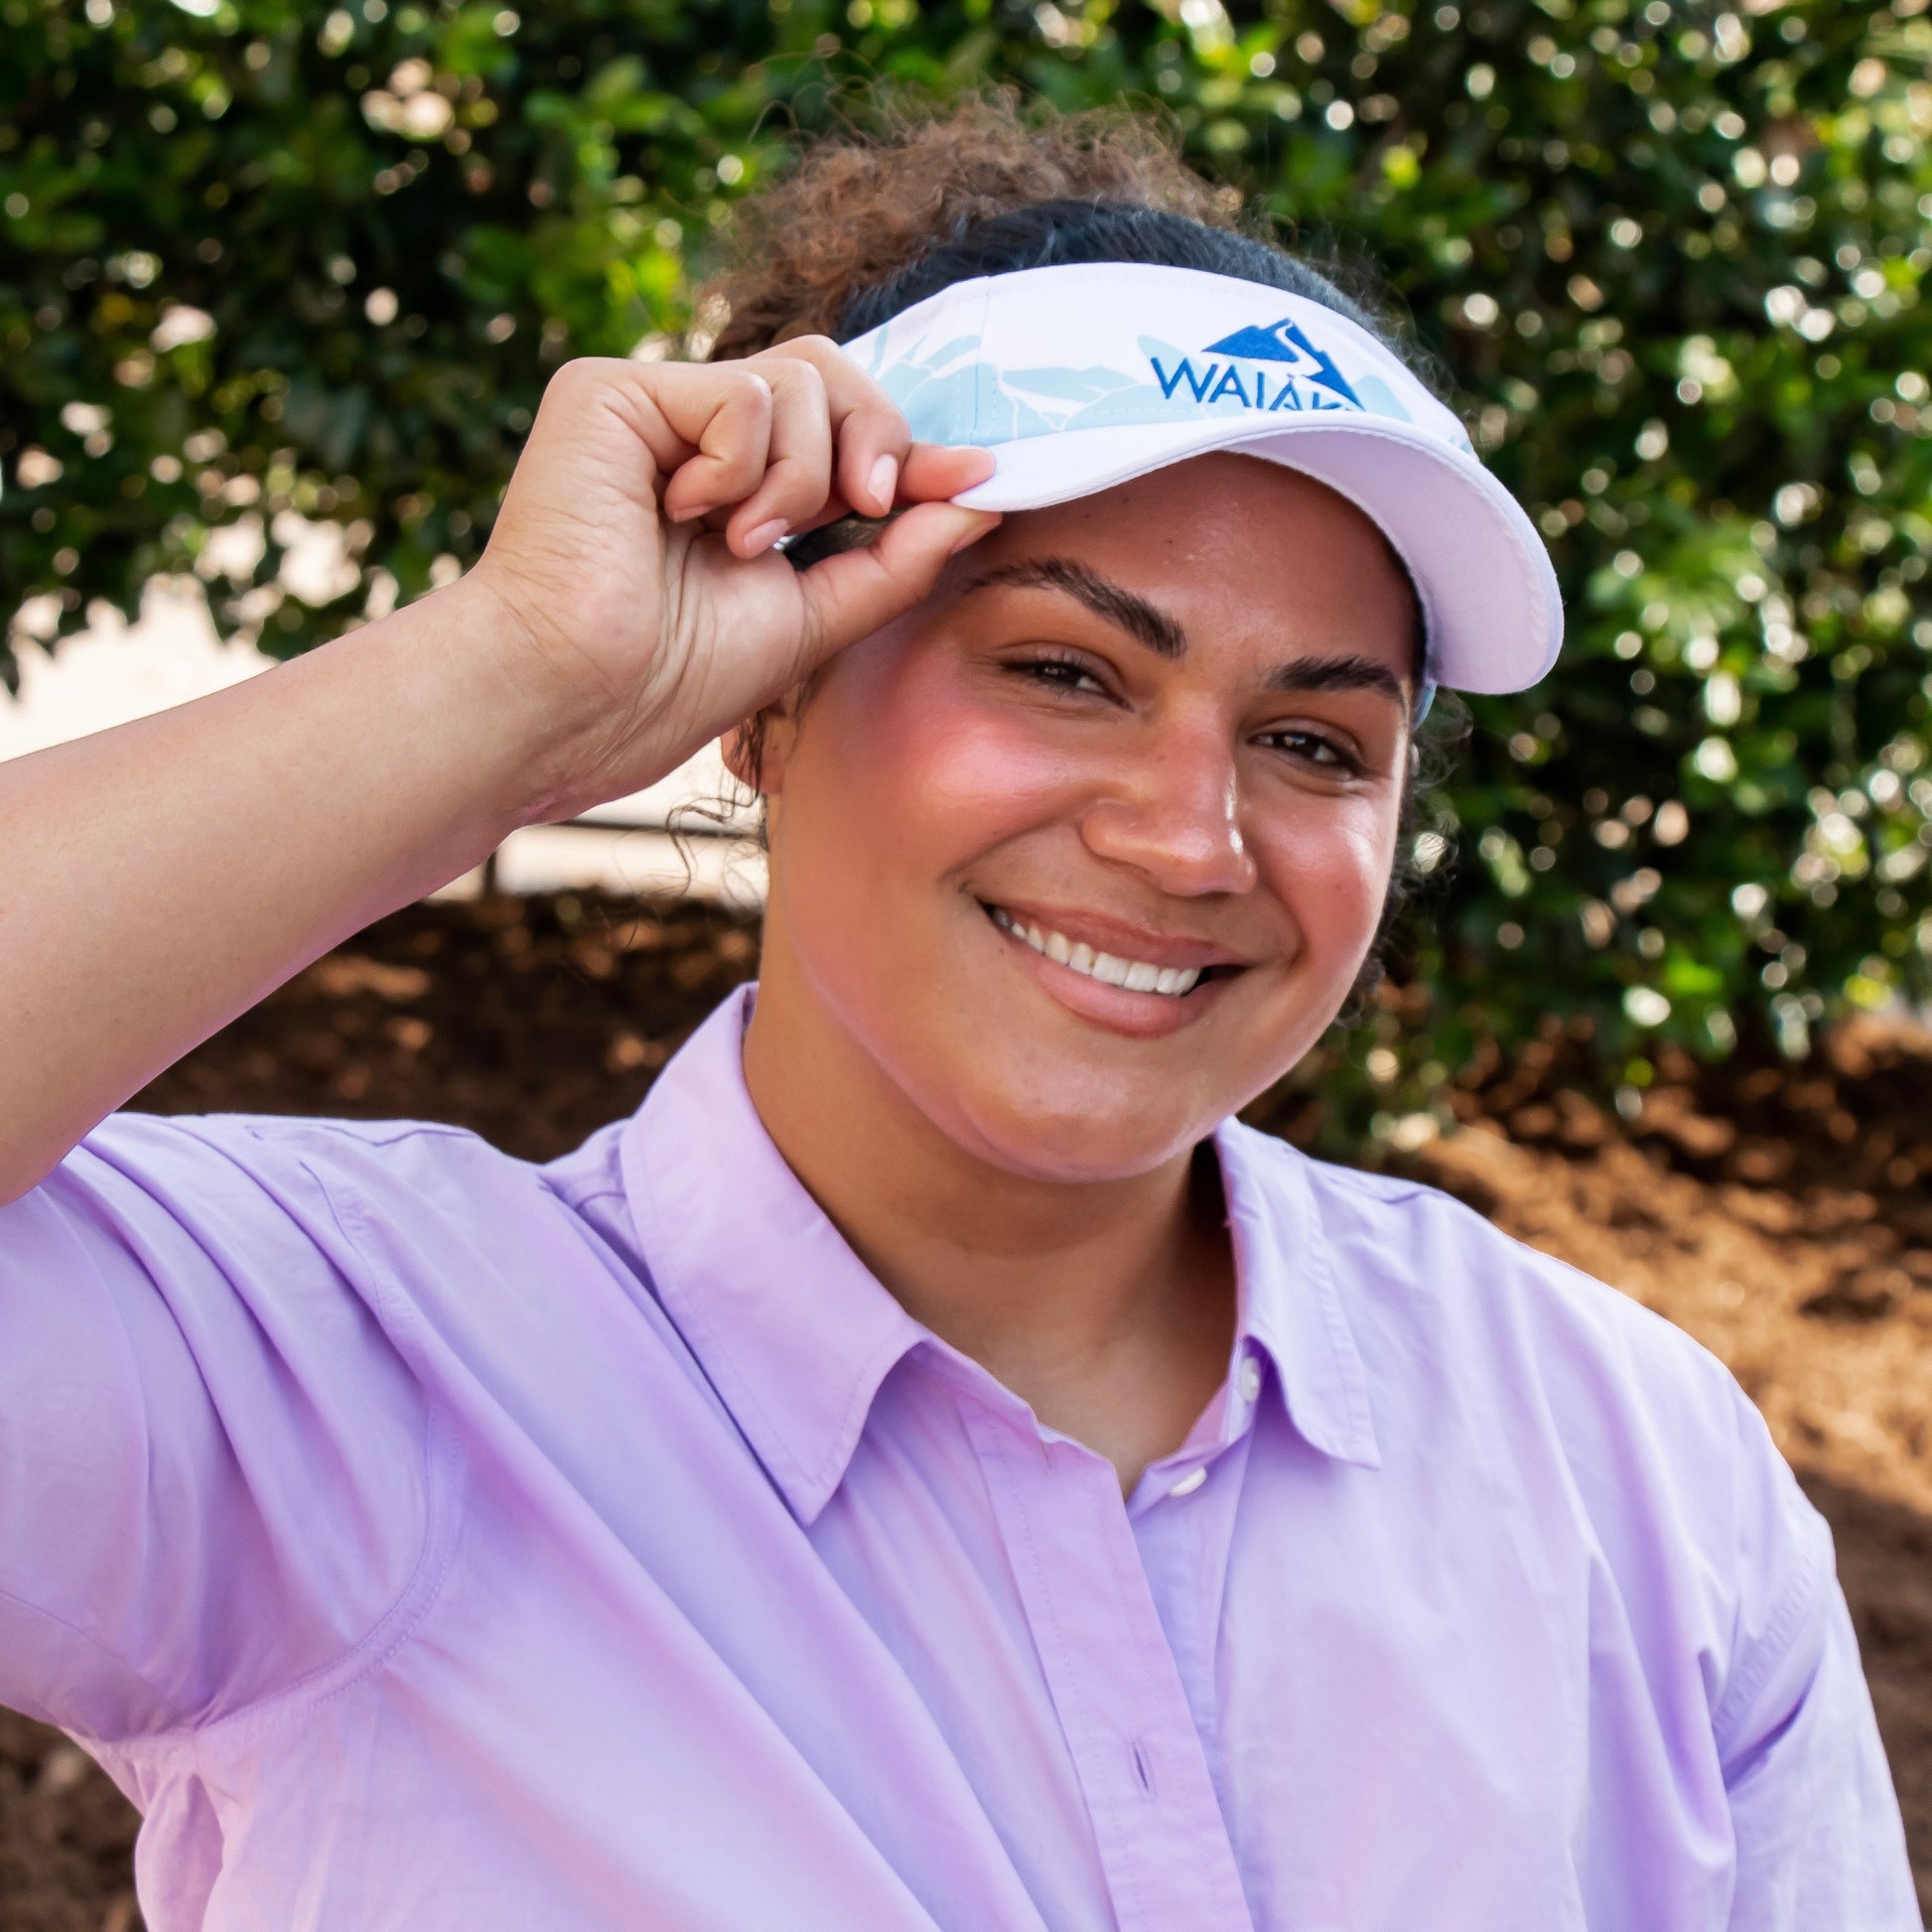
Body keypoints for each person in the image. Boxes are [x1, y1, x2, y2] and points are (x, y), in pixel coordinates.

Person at [0, 99, 1916, 1932]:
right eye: (1066, 670)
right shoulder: (329, 1392)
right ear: (763, 700)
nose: (1190, 839)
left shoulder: (1632, 1465)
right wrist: (524, 677)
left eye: (1314, 739)